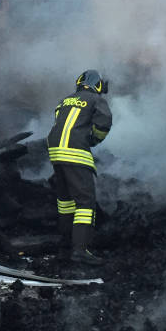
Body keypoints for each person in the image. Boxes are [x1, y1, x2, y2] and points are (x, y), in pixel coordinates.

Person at [47, 70, 112, 265]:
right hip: (75, 153)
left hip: (56, 152)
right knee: (85, 203)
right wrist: (93, 139)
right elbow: (104, 121)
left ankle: (65, 247)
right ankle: (80, 251)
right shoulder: (94, 99)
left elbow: (59, 121)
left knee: (66, 203)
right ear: (97, 85)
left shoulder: (65, 100)